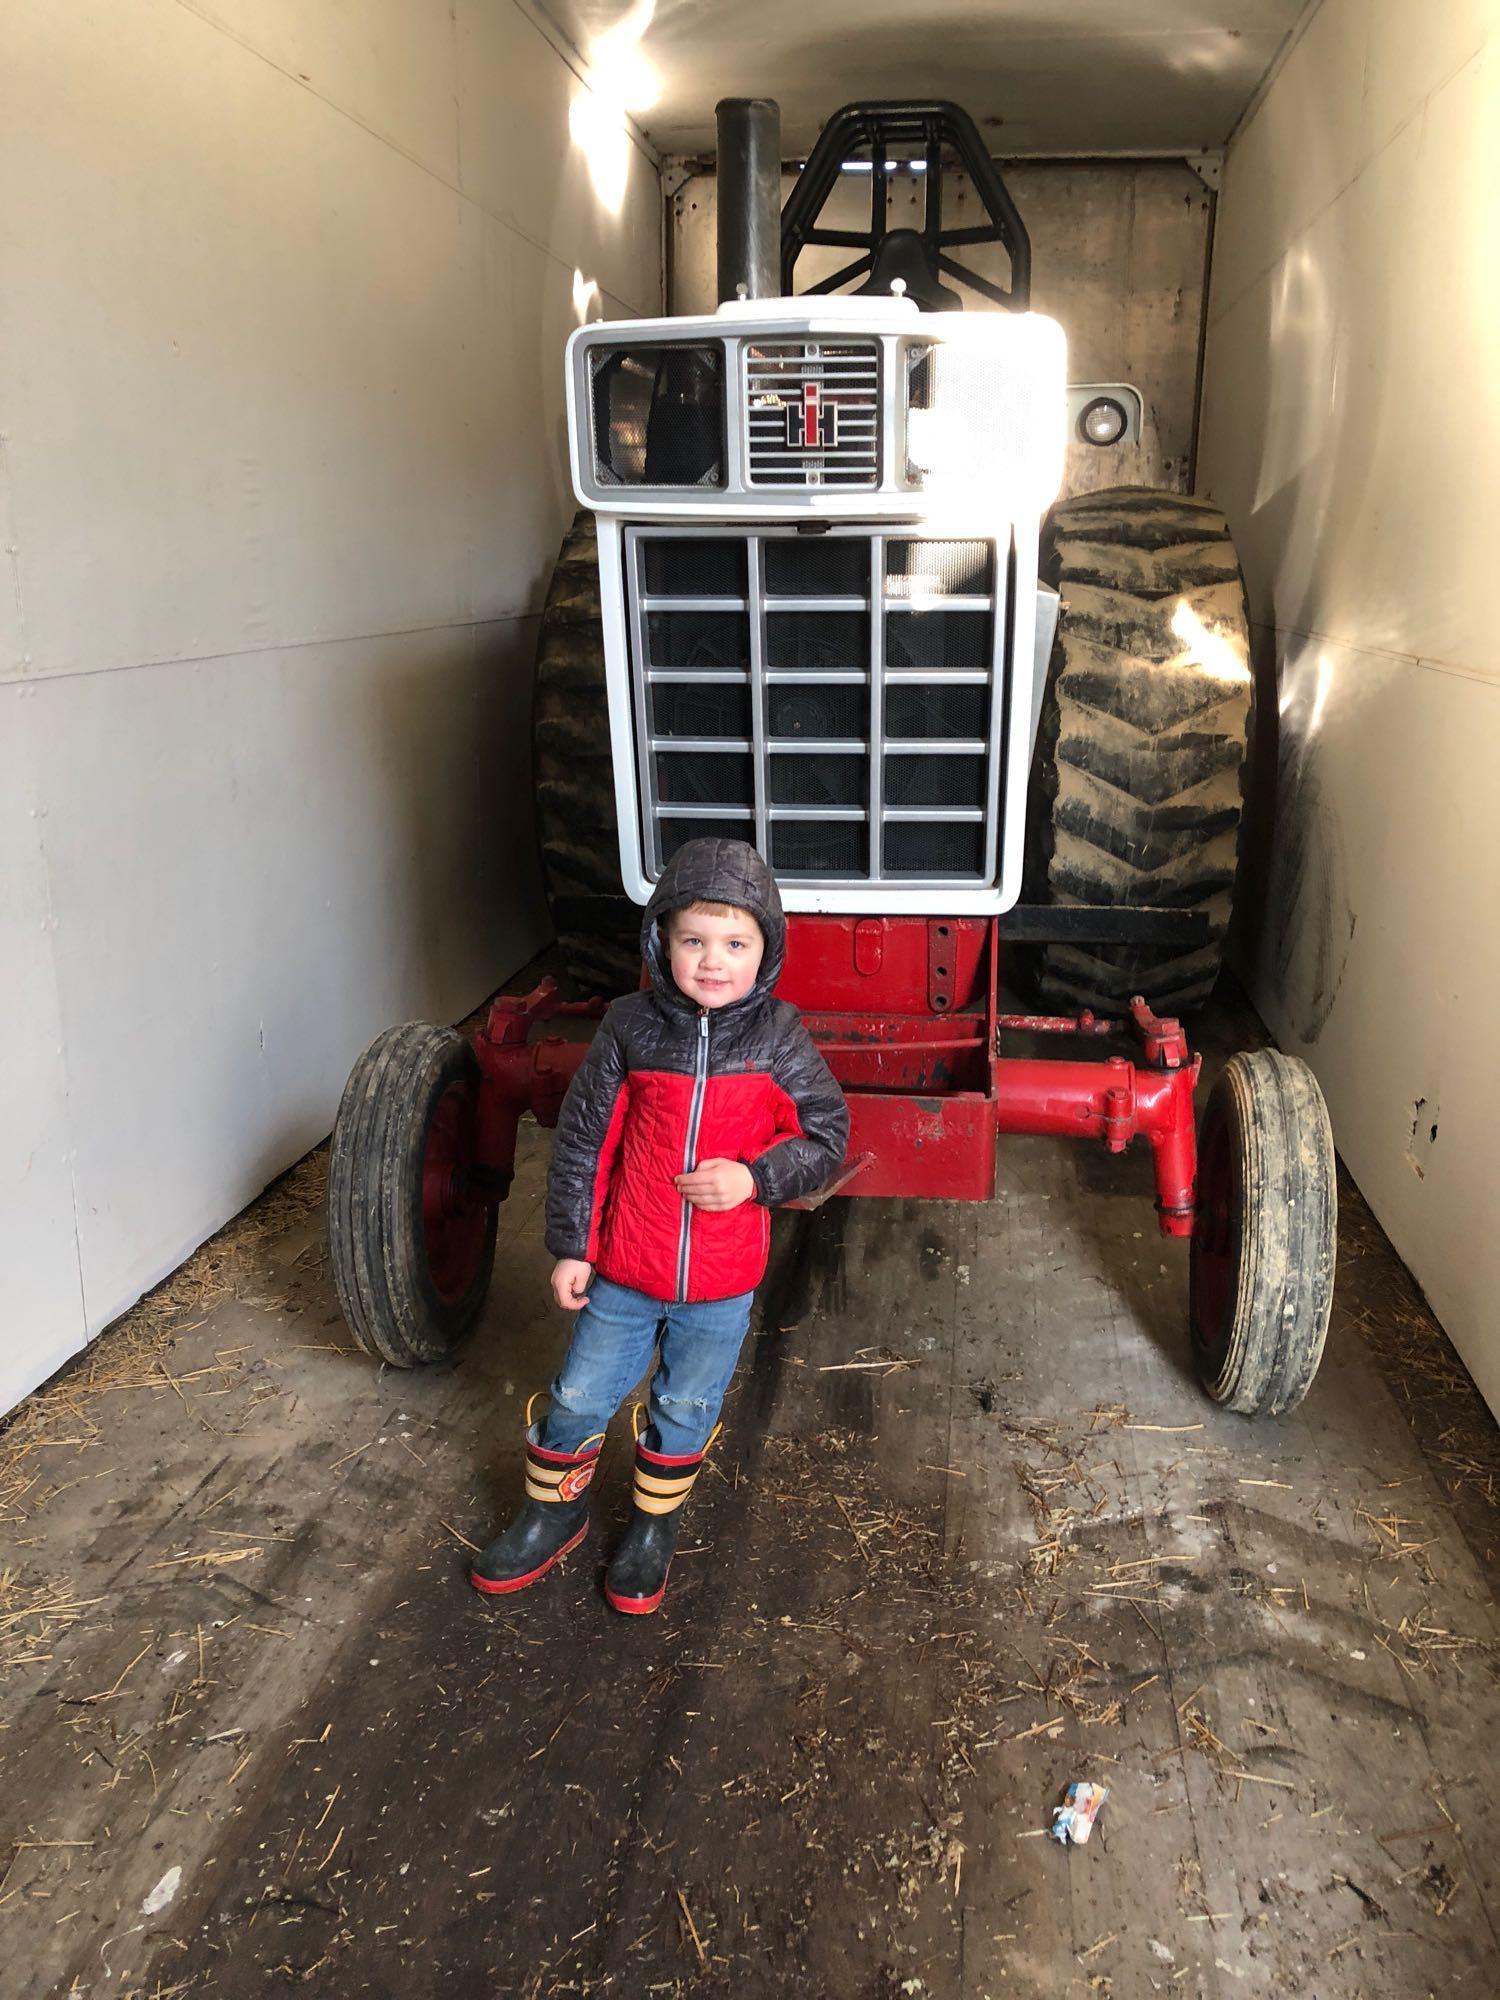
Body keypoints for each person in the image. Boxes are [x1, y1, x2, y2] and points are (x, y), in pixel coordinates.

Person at [471, 837, 849, 1615]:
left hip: (720, 1286)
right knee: (578, 1392)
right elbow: (585, 1141)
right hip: (624, 1271)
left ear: (765, 951)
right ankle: (554, 1513)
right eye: (694, 941)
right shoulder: (628, 1028)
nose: (714, 961)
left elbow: (827, 1135)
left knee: (686, 1407)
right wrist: (574, 1246)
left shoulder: (779, 1039)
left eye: (736, 943)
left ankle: (652, 1528)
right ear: (661, 942)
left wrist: (755, 1178)